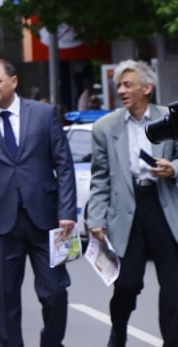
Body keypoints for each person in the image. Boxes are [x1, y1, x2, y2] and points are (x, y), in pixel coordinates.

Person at [0, 58, 76, 347]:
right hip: (0, 223)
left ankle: (52, 342)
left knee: (55, 292)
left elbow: (64, 164)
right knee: (5, 299)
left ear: (14, 81)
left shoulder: (45, 114)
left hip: (46, 219)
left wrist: (67, 212)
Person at [86, 59, 178, 347]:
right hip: (126, 210)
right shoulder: (104, 127)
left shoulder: (170, 118)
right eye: (119, 86)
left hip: (164, 204)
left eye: (128, 84)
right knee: (126, 285)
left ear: (147, 88)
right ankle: (119, 329)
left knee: (174, 287)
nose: (122, 90)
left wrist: (173, 168)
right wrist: (96, 219)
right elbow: (100, 177)